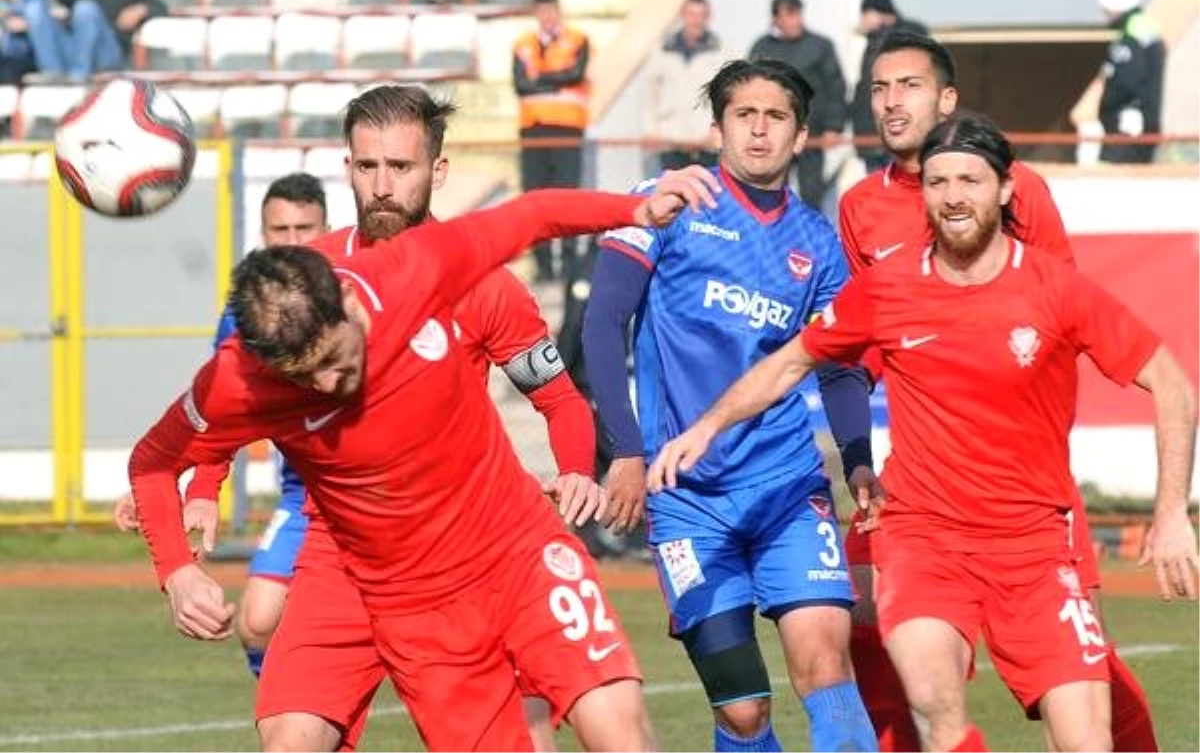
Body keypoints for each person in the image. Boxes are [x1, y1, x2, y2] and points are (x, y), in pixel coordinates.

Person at [128, 125, 712, 750]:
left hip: (513, 545)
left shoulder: (413, 271)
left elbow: (531, 214)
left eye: (336, 359)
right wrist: (179, 572)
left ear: (347, 305)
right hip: (410, 596)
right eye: (306, 375)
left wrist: (635, 210)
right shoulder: (236, 381)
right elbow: (153, 463)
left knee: (617, 724)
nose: (328, 383)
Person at [649, 112, 1199, 753]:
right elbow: (794, 360)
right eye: (938, 182)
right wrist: (709, 425)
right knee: (937, 705)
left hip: (1037, 547)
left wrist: (1171, 515)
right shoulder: (888, 287)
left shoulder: (1056, 289)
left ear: (1003, 189)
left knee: (1086, 740)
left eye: (969, 179)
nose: (953, 196)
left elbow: (1172, 384)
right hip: (925, 542)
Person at [839, 31, 1159, 752]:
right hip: (925, 501)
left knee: (1084, 681)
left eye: (909, 86)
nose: (892, 103)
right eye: (880, 89)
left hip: (1029, 495)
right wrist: (857, 452)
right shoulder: (859, 206)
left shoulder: (1021, 188)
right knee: (891, 655)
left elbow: (1058, 317)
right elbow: (859, 350)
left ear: (947, 98)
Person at [582, 58, 878, 753]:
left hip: (786, 488)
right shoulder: (665, 202)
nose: (759, 130)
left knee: (827, 664)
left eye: (776, 117)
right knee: (743, 711)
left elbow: (835, 367)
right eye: (744, 115)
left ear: (801, 135)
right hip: (686, 499)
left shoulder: (818, 245)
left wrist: (859, 458)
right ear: (718, 127)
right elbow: (602, 323)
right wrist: (625, 451)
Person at [114, 172, 331, 680]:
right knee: (256, 622)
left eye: (306, 228)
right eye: (281, 230)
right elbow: (226, 413)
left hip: (381, 491)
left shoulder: (353, 293)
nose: (295, 242)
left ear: (329, 228)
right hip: (304, 494)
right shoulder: (244, 316)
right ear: (263, 235)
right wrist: (195, 484)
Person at [513, 0, 590, 282]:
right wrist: (556, 80)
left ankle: (570, 266)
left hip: (567, 129)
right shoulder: (523, 44)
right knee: (534, 199)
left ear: (558, 11)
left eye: (550, 11)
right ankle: (545, 268)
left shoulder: (577, 39)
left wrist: (540, 79)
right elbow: (520, 85)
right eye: (541, 11)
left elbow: (576, 75)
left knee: (567, 199)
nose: (546, 17)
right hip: (533, 130)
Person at [749, 0, 847, 209]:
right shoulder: (761, 48)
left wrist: (834, 127)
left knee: (813, 196)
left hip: (812, 135)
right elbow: (749, 89)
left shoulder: (820, 46)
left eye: (798, 14)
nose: (796, 21)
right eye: (790, 15)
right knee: (769, 192)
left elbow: (835, 87)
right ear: (776, 18)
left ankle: (811, 241)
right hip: (774, 134)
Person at [28, 0, 167, 80]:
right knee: (35, 7)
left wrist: (142, 9)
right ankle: (53, 73)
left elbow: (161, 8)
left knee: (86, 9)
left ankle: (79, 76)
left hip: (108, 52)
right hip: (76, 48)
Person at [643, 0, 726, 172]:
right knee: (673, 197)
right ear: (682, 16)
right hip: (672, 141)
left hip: (706, 142)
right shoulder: (662, 51)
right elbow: (650, 94)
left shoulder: (722, 52)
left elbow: (728, 96)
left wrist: (719, 130)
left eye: (701, 15)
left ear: (708, 17)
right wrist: (652, 129)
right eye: (691, 14)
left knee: (707, 196)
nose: (696, 21)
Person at [849, 0, 927, 173]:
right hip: (872, 132)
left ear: (878, 12)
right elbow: (866, 87)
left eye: (865, 14)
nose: (862, 20)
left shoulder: (908, 33)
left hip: (899, 128)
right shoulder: (872, 42)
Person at [1095, 0, 1165, 164]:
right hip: (1142, 126)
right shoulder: (1146, 28)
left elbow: (1126, 81)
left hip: (1127, 129)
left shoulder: (1131, 34)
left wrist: (1109, 107)